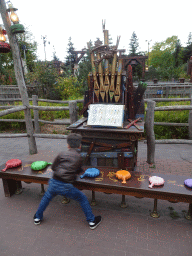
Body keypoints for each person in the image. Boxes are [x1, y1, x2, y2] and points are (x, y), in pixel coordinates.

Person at [33, 133, 102, 230]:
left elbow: (53, 167)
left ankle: (37, 217)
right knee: (82, 198)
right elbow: (77, 170)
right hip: (66, 186)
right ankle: (91, 221)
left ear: (68, 145)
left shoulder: (61, 154)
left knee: (46, 198)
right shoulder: (79, 157)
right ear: (80, 146)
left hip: (54, 182)